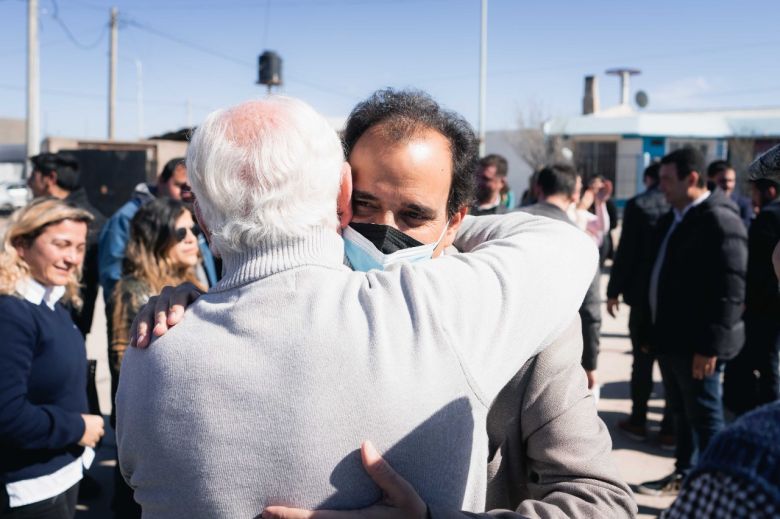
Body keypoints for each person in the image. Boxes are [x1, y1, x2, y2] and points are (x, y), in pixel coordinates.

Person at [131, 91, 635, 518]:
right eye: (367, 206)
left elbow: (603, 501)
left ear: (455, 220)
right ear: (340, 195)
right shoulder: (189, 323)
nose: (385, 233)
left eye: (414, 214)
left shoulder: (516, 311)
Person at [638, 147, 747, 497]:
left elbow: (730, 291)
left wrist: (709, 347)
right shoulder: (676, 216)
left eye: (668, 180)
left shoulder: (720, 219)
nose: (662, 187)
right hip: (671, 342)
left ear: (693, 179)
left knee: (705, 418)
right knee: (683, 414)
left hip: (698, 347)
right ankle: (686, 474)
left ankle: (719, 489)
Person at [0, 198, 106, 518]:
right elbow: (7, 415)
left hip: (62, 474)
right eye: (61, 245)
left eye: (80, 247)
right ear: (21, 244)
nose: (73, 258)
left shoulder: (51, 301)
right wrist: (76, 427)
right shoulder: (12, 313)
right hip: (30, 490)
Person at [109, 198, 205, 517]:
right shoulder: (133, 290)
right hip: (153, 432)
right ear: (156, 238)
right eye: (180, 233)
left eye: (193, 229)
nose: (192, 238)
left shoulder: (193, 280)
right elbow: (125, 364)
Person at [518, 164, 602, 393]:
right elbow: (591, 309)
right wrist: (590, 363)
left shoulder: (506, 223)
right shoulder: (580, 240)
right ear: (575, 195)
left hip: (504, 349)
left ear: (537, 188)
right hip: (554, 355)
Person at [607, 163, 674, 445]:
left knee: (642, 362)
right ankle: (670, 429)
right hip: (674, 302)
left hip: (643, 300)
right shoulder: (685, 210)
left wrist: (614, 291)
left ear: (649, 178)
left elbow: (626, 254)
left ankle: (638, 420)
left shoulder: (639, 205)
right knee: (671, 368)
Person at [723, 145, 780, 415]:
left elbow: (756, 268)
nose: (753, 199)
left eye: (756, 192)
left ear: (770, 190)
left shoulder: (769, 218)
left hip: (764, 309)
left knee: (768, 365)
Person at [28, 152, 106, 338]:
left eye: (33, 176)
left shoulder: (76, 221)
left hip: (64, 321)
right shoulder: (92, 218)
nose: (29, 183)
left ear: (50, 178)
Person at [707, 160, 753, 229]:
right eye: (722, 181)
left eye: (731, 181)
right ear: (709, 180)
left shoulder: (743, 205)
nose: (728, 185)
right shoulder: (701, 204)